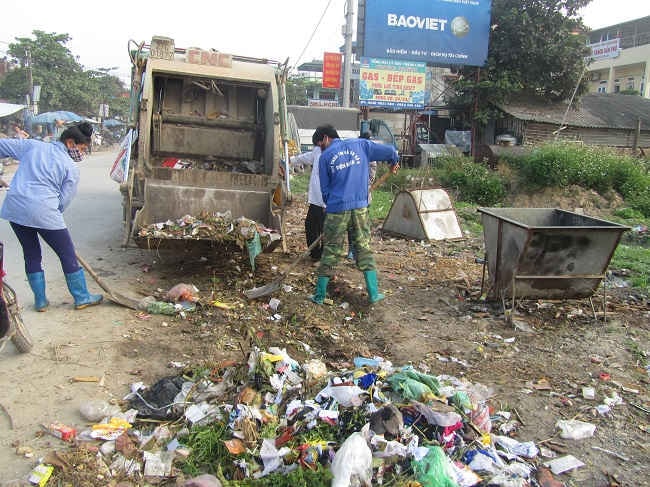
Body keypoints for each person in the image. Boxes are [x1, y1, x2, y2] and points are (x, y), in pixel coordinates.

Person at [0, 122, 103, 311]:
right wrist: (50, 216)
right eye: (81, 149)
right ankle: (82, 297)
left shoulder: (33, 146)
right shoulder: (70, 167)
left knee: (31, 254)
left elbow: (2, 145)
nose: (82, 154)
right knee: (67, 255)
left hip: (15, 209)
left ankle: (40, 301)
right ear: (70, 143)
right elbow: (63, 201)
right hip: (44, 211)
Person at [311, 124, 399, 304]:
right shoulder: (362, 145)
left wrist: (331, 204)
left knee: (331, 251)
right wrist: (394, 160)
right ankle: (374, 295)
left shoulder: (325, 157)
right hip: (360, 208)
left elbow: (325, 190)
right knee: (363, 247)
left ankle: (319, 297)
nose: (320, 148)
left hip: (337, 209)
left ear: (326, 138)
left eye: (320, 144)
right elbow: (390, 151)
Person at [290, 135, 334, 260]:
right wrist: (291, 160)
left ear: (326, 139)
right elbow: (305, 157)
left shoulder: (334, 154)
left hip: (326, 202)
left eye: (319, 143)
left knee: (324, 229)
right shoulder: (317, 151)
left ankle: (324, 255)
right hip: (315, 200)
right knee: (310, 225)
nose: (318, 145)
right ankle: (315, 253)